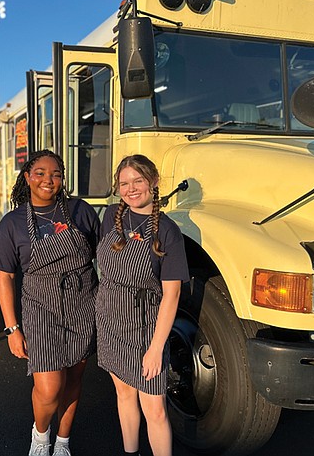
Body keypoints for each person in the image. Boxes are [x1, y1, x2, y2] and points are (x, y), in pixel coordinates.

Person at [0, 150, 100, 456]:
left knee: (74, 379)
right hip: (41, 306)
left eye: (56, 174)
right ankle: (41, 435)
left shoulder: (80, 211)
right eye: (40, 173)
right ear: (27, 177)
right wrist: (12, 329)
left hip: (83, 302)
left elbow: (109, 253)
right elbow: (5, 279)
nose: (48, 180)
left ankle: (63, 442)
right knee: (49, 388)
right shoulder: (13, 223)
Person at [95, 155, 189, 456]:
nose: (131, 189)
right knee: (124, 395)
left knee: (155, 408)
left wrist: (155, 347)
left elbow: (171, 295)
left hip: (145, 327)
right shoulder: (111, 216)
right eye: (124, 183)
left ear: (154, 182)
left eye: (138, 181)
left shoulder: (168, 231)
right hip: (110, 320)